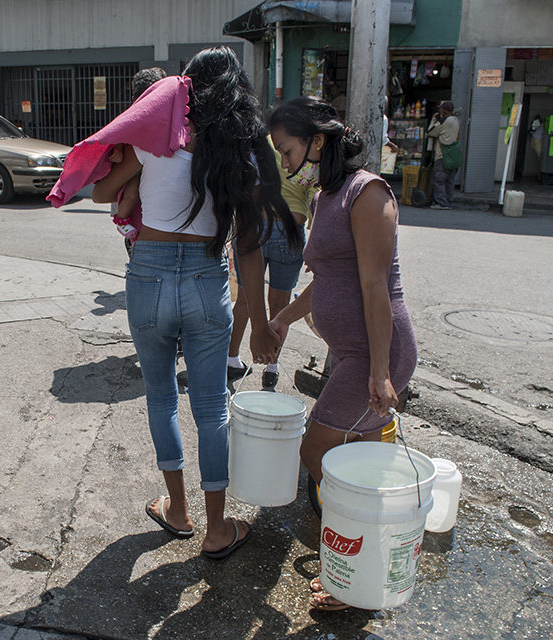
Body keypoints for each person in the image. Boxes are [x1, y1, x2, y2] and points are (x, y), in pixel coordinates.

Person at [92, 46, 302, 559]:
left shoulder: (153, 139)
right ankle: (215, 529)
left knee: (162, 397)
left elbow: (100, 193)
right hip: (208, 283)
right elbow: (248, 250)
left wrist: (144, 173)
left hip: (148, 275)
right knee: (212, 410)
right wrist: (259, 327)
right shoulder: (240, 153)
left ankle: (177, 511)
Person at [266, 97, 417, 610]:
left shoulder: (368, 192)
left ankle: (352, 573)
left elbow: (376, 288)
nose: (285, 163)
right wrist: (284, 318)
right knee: (359, 468)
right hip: (353, 353)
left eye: (288, 151)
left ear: (318, 141)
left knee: (317, 452)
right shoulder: (326, 195)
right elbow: (327, 278)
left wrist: (379, 372)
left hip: (376, 354)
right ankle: (358, 571)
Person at [227, 142, 313, 389]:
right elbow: (314, 195)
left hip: (257, 223)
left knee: (245, 298)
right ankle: (272, 367)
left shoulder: (262, 141)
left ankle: (231, 359)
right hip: (291, 228)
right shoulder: (308, 149)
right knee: (280, 303)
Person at [108, 67, 168, 251]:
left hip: (156, 224)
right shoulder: (130, 119)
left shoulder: (172, 121)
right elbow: (117, 138)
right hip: (136, 178)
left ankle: (123, 222)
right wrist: (117, 153)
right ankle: (122, 222)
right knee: (132, 195)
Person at [427, 100, 460, 210]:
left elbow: (431, 132)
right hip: (454, 155)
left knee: (439, 180)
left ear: (443, 110)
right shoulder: (456, 120)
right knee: (449, 181)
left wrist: (433, 119)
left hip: (443, 155)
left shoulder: (444, 121)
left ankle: (441, 203)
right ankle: (448, 200)